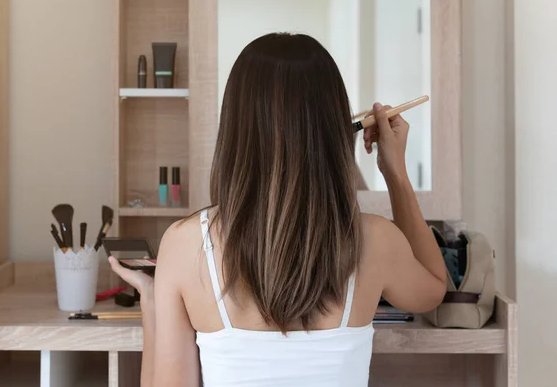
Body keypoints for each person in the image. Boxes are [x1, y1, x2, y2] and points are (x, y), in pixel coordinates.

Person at [109, 33, 446, 387]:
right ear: (333, 127)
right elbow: (434, 290)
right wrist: (395, 173)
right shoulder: (375, 240)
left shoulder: (184, 245)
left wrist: (152, 301)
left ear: (235, 127)